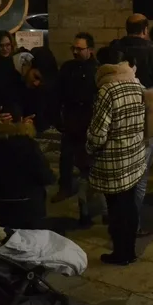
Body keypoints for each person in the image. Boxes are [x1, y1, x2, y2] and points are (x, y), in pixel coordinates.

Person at [86, 47, 151, 266]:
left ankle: (121, 253)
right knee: (129, 205)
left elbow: (98, 134)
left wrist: (89, 148)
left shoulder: (107, 90)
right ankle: (129, 250)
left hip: (114, 160)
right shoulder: (137, 85)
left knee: (116, 209)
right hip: (134, 155)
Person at [110, 14, 153, 234]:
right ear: (145, 30)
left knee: (119, 172)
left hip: (119, 117)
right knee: (140, 175)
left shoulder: (115, 50)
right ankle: (132, 225)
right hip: (145, 120)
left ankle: (117, 220)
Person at [0, 101, 54, 229]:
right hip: (30, 206)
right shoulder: (28, 145)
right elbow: (45, 175)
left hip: (4, 204)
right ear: (21, 119)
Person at [54, 32, 98, 203]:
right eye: (74, 48)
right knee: (66, 155)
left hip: (88, 118)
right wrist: (58, 117)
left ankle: (89, 190)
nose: (75, 52)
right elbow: (58, 92)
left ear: (90, 50)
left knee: (88, 157)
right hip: (71, 117)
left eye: (79, 49)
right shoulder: (67, 68)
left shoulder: (97, 69)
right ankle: (64, 187)